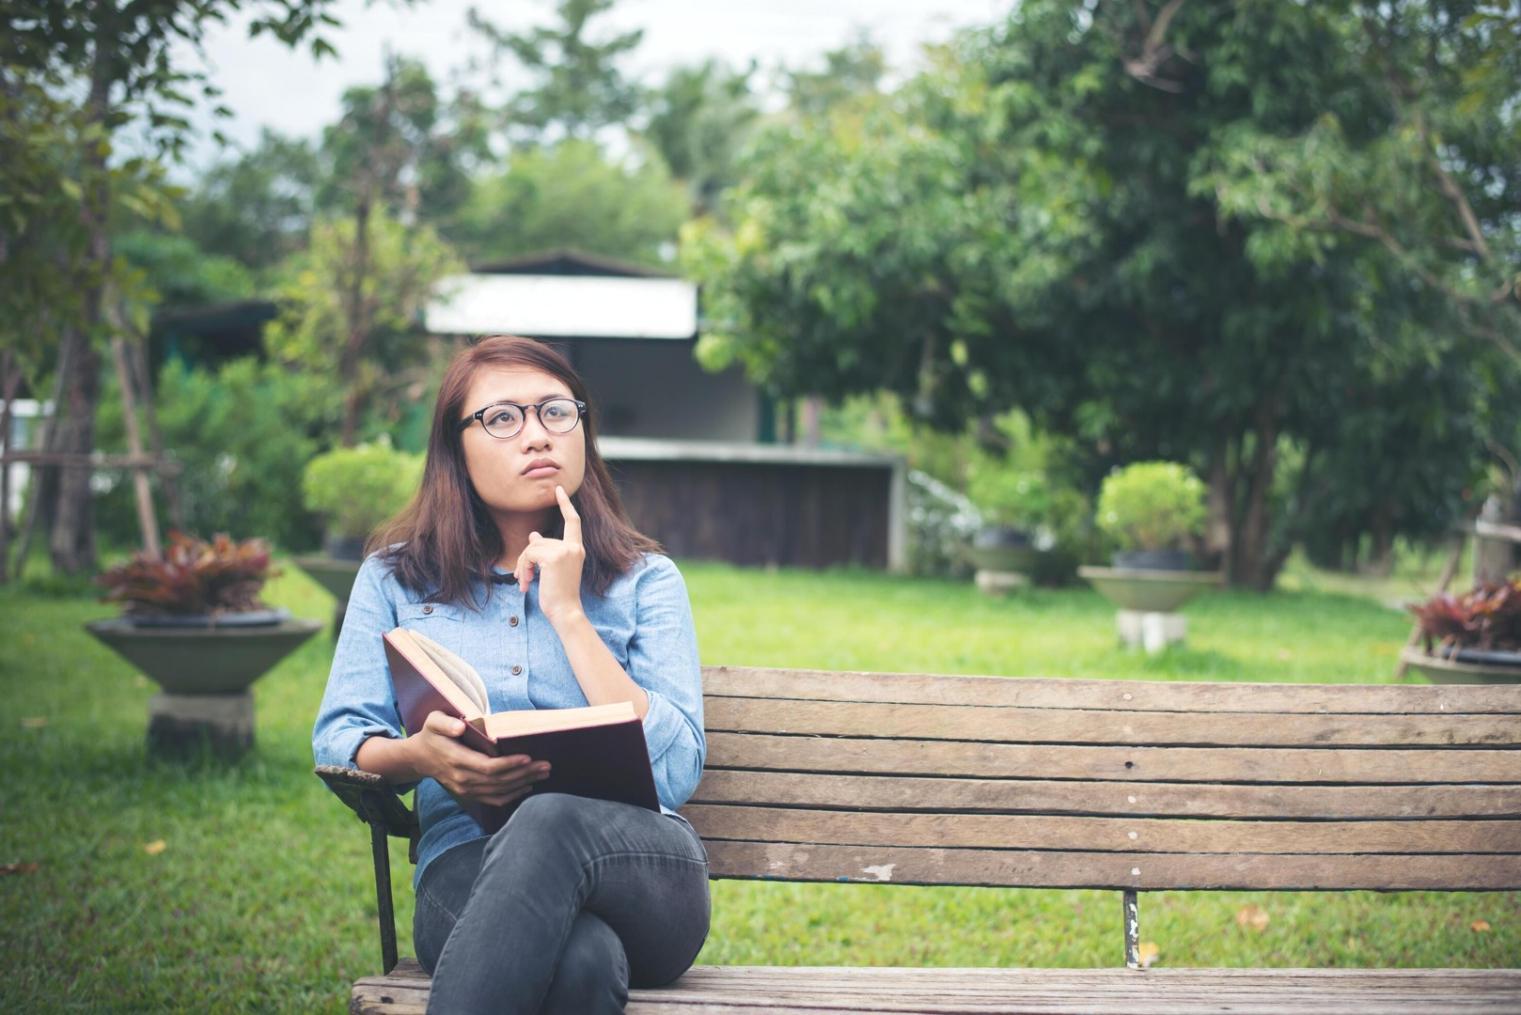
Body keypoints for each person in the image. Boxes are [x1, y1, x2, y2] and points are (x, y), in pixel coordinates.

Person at [312, 335, 710, 1014]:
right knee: (583, 962)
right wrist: (423, 756)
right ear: (455, 448)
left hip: (641, 870)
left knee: (549, 818)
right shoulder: (396, 577)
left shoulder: (645, 581)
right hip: (463, 866)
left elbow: (674, 771)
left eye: (557, 412)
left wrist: (568, 613)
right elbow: (340, 739)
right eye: (502, 418)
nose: (537, 435)